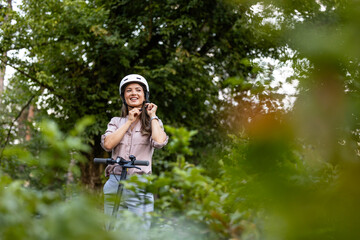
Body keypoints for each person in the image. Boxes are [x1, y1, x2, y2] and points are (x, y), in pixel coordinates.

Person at [100, 74, 168, 230]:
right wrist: (129, 121)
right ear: (124, 96)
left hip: (140, 182)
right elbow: (108, 144)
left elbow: (158, 142)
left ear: (145, 95)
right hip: (114, 181)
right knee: (111, 231)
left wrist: (153, 116)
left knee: (139, 233)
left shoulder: (153, 122)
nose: (133, 93)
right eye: (129, 90)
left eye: (138, 90)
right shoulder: (116, 121)